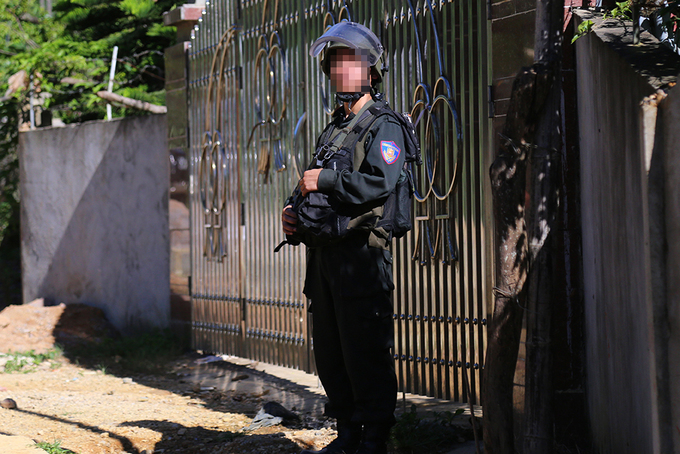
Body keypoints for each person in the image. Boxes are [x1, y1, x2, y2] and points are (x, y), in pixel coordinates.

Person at [281, 21, 406, 454]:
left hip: (361, 257)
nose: (340, 70)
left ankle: (374, 436)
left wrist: (327, 181)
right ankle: (348, 433)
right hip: (325, 259)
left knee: (364, 350)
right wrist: (292, 211)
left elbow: (380, 181)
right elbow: (309, 181)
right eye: (334, 63)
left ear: (371, 71)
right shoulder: (334, 126)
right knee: (332, 353)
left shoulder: (383, 126)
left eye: (349, 62)